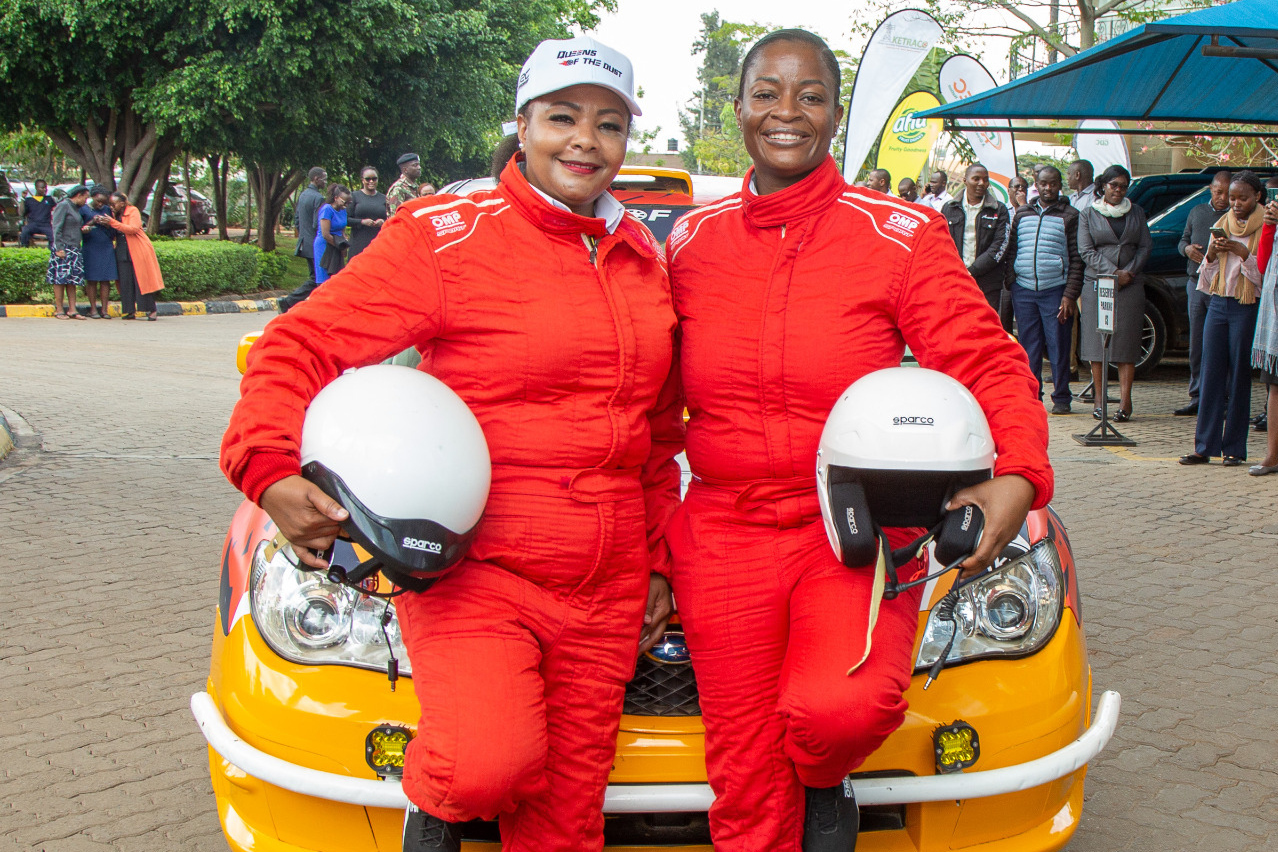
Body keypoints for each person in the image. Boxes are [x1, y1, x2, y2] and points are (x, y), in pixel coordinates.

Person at [217, 35, 681, 852]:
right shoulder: (446, 237)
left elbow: (655, 435)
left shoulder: (643, 260)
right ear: (522, 126)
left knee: (567, 813)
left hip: (605, 588)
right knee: (482, 766)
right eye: (562, 117)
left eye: (609, 124)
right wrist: (266, 464)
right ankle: (433, 816)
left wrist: (656, 563)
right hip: (480, 573)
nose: (585, 140)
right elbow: (301, 344)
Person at [664, 29, 1052, 852]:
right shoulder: (690, 244)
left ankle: (819, 775)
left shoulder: (900, 233)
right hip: (723, 532)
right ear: (737, 107)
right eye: (766, 93)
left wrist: (1019, 474)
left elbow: (986, 360)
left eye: (810, 96)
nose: (786, 112)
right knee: (743, 768)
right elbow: (647, 404)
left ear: (836, 116)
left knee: (841, 711)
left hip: (853, 527)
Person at [1181, 171, 1267, 467]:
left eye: (1243, 198)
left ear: (1257, 197)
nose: (1236, 204)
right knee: (1210, 374)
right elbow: (1205, 279)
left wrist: (1244, 254)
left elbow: (1263, 279)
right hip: (1218, 303)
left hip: (1246, 306)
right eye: (1232, 198)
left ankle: (1234, 449)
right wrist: (1211, 255)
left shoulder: (1265, 227)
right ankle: (1204, 446)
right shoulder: (1221, 225)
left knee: (1240, 376)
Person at [1077, 164, 1152, 422]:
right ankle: (1099, 400)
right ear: (1103, 186)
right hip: (1098, 284)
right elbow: (1086, 250)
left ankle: (1125, 401)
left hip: (1130, 284)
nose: (1118, 190)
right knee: (1097, 343)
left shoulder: (1136, 212)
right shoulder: (1088, 214)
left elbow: (1145, 246)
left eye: (1123, 186)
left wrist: (1128, 272)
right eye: (1114, 185)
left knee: (1127, 344)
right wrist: (1113, 273)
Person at [1005, 165, 1081, 415]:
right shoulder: (1022, 214)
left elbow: (1077, 258)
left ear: (1060, 185)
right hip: (1024, 290)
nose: (1048, 188)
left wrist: (1069, 294)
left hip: (1055, 290)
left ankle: (1062, 397)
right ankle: (1032, 395)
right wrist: (1012, 281)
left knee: (1058, 345)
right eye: (1043, 184)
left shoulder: (1070, 215)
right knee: (1029, 347)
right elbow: (1012, 250)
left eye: (1053, 183)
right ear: (1035, 185)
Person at [1174, 170, 1232, 416]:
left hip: (1223, 287)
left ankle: (1224, 398)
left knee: (1222, 344)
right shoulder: (1197, 212)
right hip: (1196, 284)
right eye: (1219, 192)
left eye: (1228, 193)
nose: (1223, 198)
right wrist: (1187, 249)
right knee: (1196, 343)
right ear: (1210, 189)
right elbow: (1182, 241)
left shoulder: (1235, 216)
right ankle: (1197, 395)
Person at [941, 162, 1010, 322]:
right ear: (965, 180)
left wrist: (972, 271)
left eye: (985, 180)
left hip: (987, 283)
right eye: (976, 179)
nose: (981, 183)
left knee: (984, 325)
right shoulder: (949, 208)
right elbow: (942, 242)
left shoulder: (999, 210)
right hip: (955, 279)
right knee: (956, 324)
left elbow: (1000, 245)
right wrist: (957, 271)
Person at [1248, 196, 1278, 474]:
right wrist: (1269, 226)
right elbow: (1263, 264)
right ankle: (1272, 455)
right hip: (1274, 320)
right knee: (1275, 387)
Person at [102, 192, 165, 320]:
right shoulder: (114, 215)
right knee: (125, 281)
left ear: (122, 203)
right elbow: (115, 231)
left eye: (114, 204)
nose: (112, 206)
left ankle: (151, 310)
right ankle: (129, 311)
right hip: (122, 250)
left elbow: (133, 229)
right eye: (110, 204)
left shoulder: (132, 211)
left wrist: (112, 222)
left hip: (137, 249)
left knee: (141, 280)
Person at [279, 166, 327, 313]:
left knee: (316, 277)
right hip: (315, 244)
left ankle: (291, 302)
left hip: (305, 242)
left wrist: (303, 236)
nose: (325, 182)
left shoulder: (303, 195)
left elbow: (297, 220)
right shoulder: (318, 198)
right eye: (324, 179)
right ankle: (288, 302)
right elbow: (317, 223)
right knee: (317, 278)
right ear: (316, 179)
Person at [49, 185, 91, 320]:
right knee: (60, 280)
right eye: (85, 198)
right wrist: (59, 248)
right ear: (78, 195)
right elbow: (56, 227)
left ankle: (72, 309)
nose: (86, 201)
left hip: (74, 247)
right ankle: (59, 309)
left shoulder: (75, 208)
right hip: (63, 247)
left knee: (72, 280)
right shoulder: (63, 205)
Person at [80, 187, 117, 319]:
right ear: (92, 197)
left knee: (105, 279)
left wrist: (107, 224)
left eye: (103, 202)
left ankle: (104, 310)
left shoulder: (107, 210)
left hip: (105, 245)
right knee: (92, 279)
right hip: (91, 246)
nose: (100, 204)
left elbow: (113, 230)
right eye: (98, 201)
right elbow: (80, 229)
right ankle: (93, 309)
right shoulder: (83, 209)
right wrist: (92, 222)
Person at [312, 184, 351, 285]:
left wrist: (344, 244)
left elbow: (342, 231)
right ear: (336, 198)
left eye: (348, 203)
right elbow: (325, 234)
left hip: (338, 244)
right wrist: (340, 247)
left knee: (336, 279)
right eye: (344, 202)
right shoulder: (327, 209)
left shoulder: (343, 210)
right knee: (324, 279)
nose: (346, 205)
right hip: (325, 245)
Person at [347, 167, 388, 257]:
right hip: (358, 243)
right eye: (368, 179)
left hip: (378, 243)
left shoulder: (384, 198)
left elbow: (391, 219)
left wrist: (383, 222)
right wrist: (362, 222)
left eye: (374, 179)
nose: (371, 181)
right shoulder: (354, 196)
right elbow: (346, 219)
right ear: (362, 180)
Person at [19, 179, 55, 247]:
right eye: (42, 188)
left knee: (53, 236)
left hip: (45, 225)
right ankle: (24, 248)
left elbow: (57, 207)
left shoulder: (49, 199)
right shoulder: (29, 200)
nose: (44, 189)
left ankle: (52, 250)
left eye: (45, 188)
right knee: (24, 232)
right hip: (33, 224)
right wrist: (22, 198)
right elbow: (21, 213)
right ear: (36, 188)